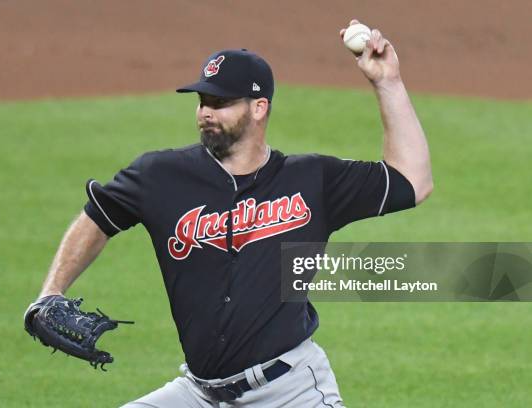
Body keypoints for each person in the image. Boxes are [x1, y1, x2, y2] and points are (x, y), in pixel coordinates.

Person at [27, 19, 432, 407]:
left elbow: (413, 180)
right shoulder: (160, 175)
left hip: (290, 391)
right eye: (203, 101)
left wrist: (387, 82)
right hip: (199, 394)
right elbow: (99, 216)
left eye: (220, 102)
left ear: (259, 108)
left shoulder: (313, 180)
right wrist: (51, 291)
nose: (206, 112)